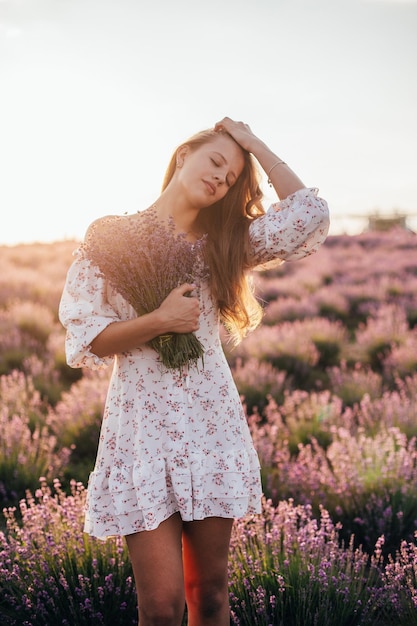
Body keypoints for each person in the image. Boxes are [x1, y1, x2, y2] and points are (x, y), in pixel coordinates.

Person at [59, 117, 330, 626]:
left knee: (209, 594)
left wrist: (253, 144)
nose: (221, 178)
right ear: (184, 155)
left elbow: (309, 215)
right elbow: (85, 334)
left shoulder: (224, 243)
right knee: (160, 607)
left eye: (231, 178)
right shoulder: (110, 237)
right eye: (216, 162)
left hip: (210, 428)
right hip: (141, 432)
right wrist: (159, 320)